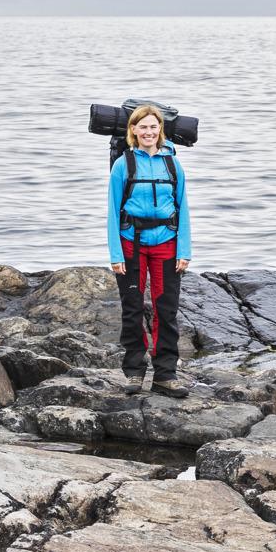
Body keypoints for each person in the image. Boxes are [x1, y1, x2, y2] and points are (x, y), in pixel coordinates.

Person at [107, 101, 192, 396]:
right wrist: (115, 254)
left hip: (166, 243)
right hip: (132, 243)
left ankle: (165, 375)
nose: (148, 132)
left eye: (153, 127)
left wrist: (184, 250)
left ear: (160, 131)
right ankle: (133, 373)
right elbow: (112, 211)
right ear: (133, 130)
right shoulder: (124, 164)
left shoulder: (172, 163)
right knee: (132, 308)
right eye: (143, 127)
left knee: (166, 309)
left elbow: (183, 208)